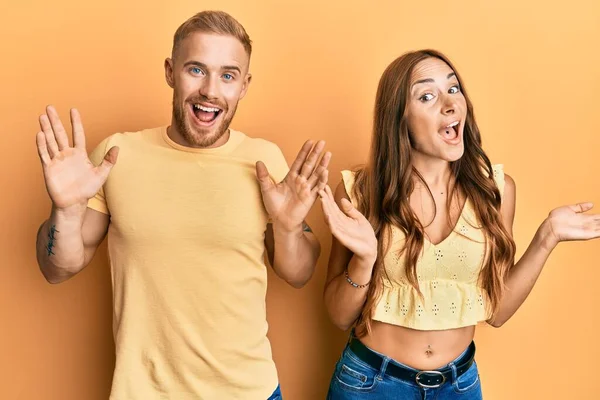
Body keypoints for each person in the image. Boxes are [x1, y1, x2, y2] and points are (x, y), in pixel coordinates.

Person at [34, 10, 330, 400]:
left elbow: (298, 274)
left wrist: (290, 227)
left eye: (228, 75)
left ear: (244, 86)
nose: (210, 90)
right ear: (171, 72)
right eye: (196, 69)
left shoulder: (264, 160)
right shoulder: (117, 156)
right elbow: (57, 268)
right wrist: (66, 212)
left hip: (249, 392)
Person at [319, 49, 600, 399]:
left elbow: (496, 311)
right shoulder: (360, 192)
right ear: (399, 119)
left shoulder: (495, 191)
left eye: (454, 89)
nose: (450, 104)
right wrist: (364, 261)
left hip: (458, 386)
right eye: (427, 95)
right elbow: (338, 315)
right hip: (370, 384)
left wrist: (548, 236)